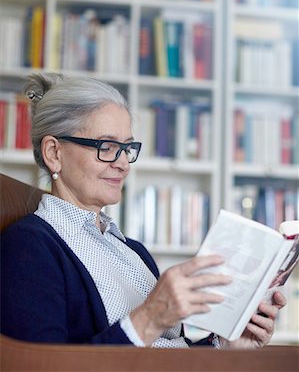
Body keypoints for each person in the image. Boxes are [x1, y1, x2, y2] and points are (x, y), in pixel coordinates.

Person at [1, 72, 286, 348]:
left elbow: (169, 352)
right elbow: (39, 366)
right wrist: (148, 319)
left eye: (127, 148)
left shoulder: (134, 252)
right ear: (54, 153)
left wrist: (226, 345)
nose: (123, 164)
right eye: (107, 146)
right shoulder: (29, 246)